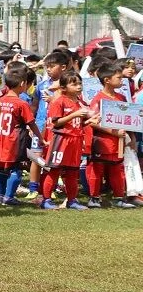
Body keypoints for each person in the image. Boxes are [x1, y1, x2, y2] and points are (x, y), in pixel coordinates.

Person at [86, 60, 137, 208]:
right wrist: (114, 132)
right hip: (102, 143)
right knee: (97, 169)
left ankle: (119, 198)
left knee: (117, 169)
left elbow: (129, 120)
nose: (122, 80)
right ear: (107, 80)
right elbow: (93, 121)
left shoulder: (121, 98)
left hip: (118, 143)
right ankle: (94, 198)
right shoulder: (98, 100)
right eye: (119, 78)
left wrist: (131, 137)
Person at [40, 72, 90, 210]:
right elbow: (56, 123)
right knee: (54, 170)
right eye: (74, 84)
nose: (79, 86)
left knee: (73, 172)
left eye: (80, 83)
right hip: (62, 140)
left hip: (76, 140)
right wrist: (74, 114)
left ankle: (72, 200)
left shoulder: (80, 102)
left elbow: (78, 122)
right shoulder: (59, 101)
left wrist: (89, 121)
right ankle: (46, 200)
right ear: (63, 87)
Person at [0, 65, 35, 205]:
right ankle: (9, 197)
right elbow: (31, 123)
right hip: (14, 140)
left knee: (2, 169)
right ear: (22, 84)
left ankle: (0, 195)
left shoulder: (0, 101)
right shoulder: (21, 103)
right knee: (16, 169)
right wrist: (39, 137)